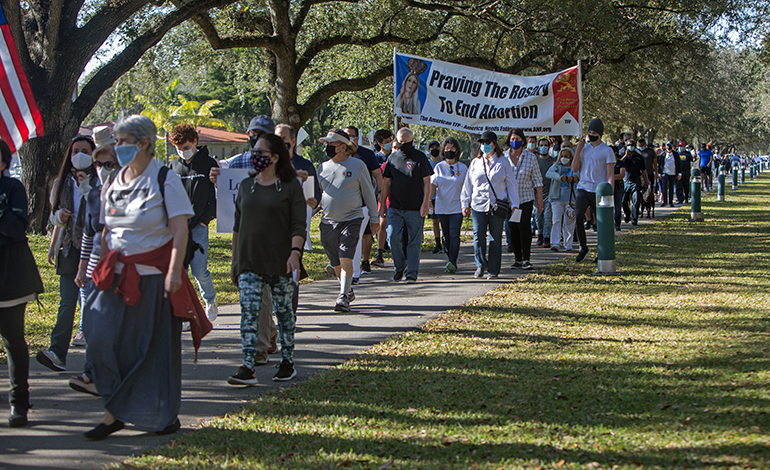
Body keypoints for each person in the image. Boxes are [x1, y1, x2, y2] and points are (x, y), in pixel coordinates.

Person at [84, 115, 209, 440]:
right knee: (98, 338)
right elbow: (106, 230)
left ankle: (140, 415)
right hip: (114, 275)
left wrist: (173, 272)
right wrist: (93, 269)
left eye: (123, 141)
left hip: (153, 277)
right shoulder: (114, 180)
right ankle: (118, 404)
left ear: (143, 143)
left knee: (151, 349)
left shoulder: (164, 178)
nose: (117, 147)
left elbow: (180, 228)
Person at [228, 133, 305, 386]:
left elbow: (298, 224)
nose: (255, 156)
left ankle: (287, 362)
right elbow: (238, 225)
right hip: (250, 259)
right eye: (254, 151)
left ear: (274, 157)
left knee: (284, 313)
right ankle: (248, 366)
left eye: (260, 152)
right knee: (249, 312)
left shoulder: (290, 185)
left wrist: (295, 253)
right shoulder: (245, 186)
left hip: (280, 259)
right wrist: (235, 260)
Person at [211, 115, 279, 365]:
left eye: (262, 133)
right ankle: (263, 342)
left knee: (263, 293)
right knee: (256, 292)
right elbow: (225, 186)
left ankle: (265, 338)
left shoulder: (282, 166)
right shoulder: (237, 163)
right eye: (253, 132)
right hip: (247, 238)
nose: (256, 137)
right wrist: (216, 177)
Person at [36, 135, 95, 372]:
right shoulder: (61, 182)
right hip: (70, 249)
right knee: (66, 302)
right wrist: (57, 217)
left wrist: (86, 187)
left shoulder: (102, 180)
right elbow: (53, 216)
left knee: (91, 305)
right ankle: (57, 352)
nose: (79, 154)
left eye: (84, 150)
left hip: (94, 251)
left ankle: (96, 362)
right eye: (75, 151)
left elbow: (103, 211)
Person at [69, 129, 119, 397]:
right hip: (93, 273)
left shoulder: (128, 193)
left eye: (108, 164)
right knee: (92, 324)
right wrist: (81, 269)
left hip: (120, 271)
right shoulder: (92, 195)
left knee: (112, 327)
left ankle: (109, 375)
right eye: (98, 165)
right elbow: (88, 234)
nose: (101, 170)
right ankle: (91, 372)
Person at [0, 139, 44, 427]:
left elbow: (16, 228)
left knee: (13, 340)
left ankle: (19, 403)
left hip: (10, 274)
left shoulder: (13, 188)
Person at [317, 129, 379, 312]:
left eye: (331, 144)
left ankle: (343, 297)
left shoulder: (358, 165)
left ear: (343, 147)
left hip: (352, 218)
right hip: (328, 222)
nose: (327, 147)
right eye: (326, 144)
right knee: (335, 262)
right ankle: (347, 288)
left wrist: (374, 219)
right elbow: (318, 195)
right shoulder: (322, 167)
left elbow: (369, 193)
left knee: (346, 257)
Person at [169, 123, 220, 322]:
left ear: (195, 142)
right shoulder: (173, 167)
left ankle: (210, 299)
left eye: (186, 147)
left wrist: (206, 220)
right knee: (180, 273)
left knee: (199, 270)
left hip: (198, 227)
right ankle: (184, 312)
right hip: (177, 228)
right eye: (179, 149)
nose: (183, 152)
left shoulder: (209, 164)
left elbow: (217, 196)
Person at [461, 130, 519, 279]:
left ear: (494, 144)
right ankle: (480, 264)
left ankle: (493, 270)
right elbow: (468, 183)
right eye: (482, 143)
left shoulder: (503, 161)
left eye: (487, 143)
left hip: (496, 205)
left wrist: (515, 204)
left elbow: (511, 184)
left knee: (495, 237)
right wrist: (465, 203)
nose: (484, 146)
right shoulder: (475, 162)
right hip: (478, 204)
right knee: (478, 235)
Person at [380, 128, 433, 283]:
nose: (403, 144)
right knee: (392, 237)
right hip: (395, 206)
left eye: (406, 141)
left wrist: (426, 203)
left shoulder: (420, 157)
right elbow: (386, 182)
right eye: (400, 141)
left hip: (415, 207)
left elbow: (427, 182)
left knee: (414, 242)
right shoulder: (392, 158)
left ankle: (412, 273)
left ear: (412, 140)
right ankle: (399, 265)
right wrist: (382, 204)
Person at [572, 118, 615, 262]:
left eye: (594, 132)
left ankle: (601, 250)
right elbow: (574, 168)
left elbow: (610, 175)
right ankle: (583, 248)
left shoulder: (607, 151)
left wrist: (610, 193)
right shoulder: (584, 148)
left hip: (599, 189)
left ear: (600, 134)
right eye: (589, 132)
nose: (591, 135)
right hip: (583, 187)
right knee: (578, 216)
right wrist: (578, 150)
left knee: (600, 222)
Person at [344, 125, 383, 285]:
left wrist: (380, 192)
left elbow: (377, 175)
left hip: (362, 204)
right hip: (342, 204)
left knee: (356, 237)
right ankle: (341, 267)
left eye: (351, 136)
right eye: (345, 136)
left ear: (357, 137)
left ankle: (353, 274)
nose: (349, 139)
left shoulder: (366, 155)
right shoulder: (339, 155)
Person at [505, 128, 543, 271]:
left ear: (523, 140)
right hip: (510, 200)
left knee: (524, 226)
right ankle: (518, 259)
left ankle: (527, 259)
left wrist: (540, 200)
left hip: (525, 197)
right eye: (512, 139)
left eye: (518, 139)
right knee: (513, 228)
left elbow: (537, 180)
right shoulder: (503, 157)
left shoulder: (530, 157)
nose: (515, 142)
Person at [429, 137, 466, 273]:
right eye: (447, 148)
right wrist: (428, 200)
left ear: (457, 150)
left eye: (452, 148)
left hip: (457, 207)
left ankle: (452, 261)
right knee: (446, 236)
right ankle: (449, 255)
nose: (449, 150)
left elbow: (467, 187)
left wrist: (467, 203)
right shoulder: (439, 167)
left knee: (454, 234)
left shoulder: (462, 168)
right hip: (442, 207)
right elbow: (433, 184)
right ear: (443, 150)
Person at [545, 147, 578, 252]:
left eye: (566, 156)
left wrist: (568, 179)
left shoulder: (574, 167)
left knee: (569, 222)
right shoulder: (556, 167)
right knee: (556, 220)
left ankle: (568, 244)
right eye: (562, 156)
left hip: (570, 199)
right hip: (557, 198)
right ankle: (555, 243)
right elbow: (549, 174)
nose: (564, 158)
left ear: (571, 157)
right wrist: (559, 177)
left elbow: (576, 178)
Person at [372, 129, 395, 267]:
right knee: (382, 223)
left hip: (395, 195)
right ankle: (379, 253)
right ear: (379, 143)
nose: (389, 144)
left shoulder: (395, 156)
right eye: (386, 142)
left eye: (390, 141)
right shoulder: (375, 158)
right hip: (380, 195)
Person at [621, 138, 649, 226]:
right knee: (624, 201)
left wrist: (646, 181)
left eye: (632, 145)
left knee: (636, 200)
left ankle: (634, 218)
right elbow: (619, 164)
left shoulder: (639, 157)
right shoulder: (623, 155)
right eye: (628, 145)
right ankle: (627, 214)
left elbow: (643, 170)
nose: (630, 147)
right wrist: (626, 155)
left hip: (636, 180)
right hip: (626, 180)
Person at [534, 137, 555, 248]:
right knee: (538, 217)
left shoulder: (553, 161)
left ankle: (547, 238)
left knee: (547, 217)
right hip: (537, 194)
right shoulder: (535, 160)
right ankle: (540, 235)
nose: (543, 147)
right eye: (541, 145)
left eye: (546, 145)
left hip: (549, 194)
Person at [426, 140, 443, 254]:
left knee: (444, 220)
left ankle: (446, 240)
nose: (434, 150)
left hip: (443, 196)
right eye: (432, 148)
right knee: (435, 220)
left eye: (437, 147)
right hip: (431, 196)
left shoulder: (444, 163)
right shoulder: (427, 164)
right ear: (428, 150)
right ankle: (438, 243)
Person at [658, 142, 681, 208]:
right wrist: (659, 173)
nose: (669, 148)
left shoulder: (675, 154)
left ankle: (671, 202)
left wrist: (679, 173)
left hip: (673, 173)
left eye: (670, 146)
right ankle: (665, 201)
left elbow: (679, 163)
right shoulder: (663, 154)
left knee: (671, 187)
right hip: (665, 172)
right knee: (664, 187)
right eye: (667, 146)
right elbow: (660, 164)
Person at [611, 145, 626, 231]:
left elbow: (621, 175)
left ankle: (617, 224)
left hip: (618, 187)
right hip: (608, 187)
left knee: (617, 207)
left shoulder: (621, 163)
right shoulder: (605, 163)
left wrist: (610, 176)